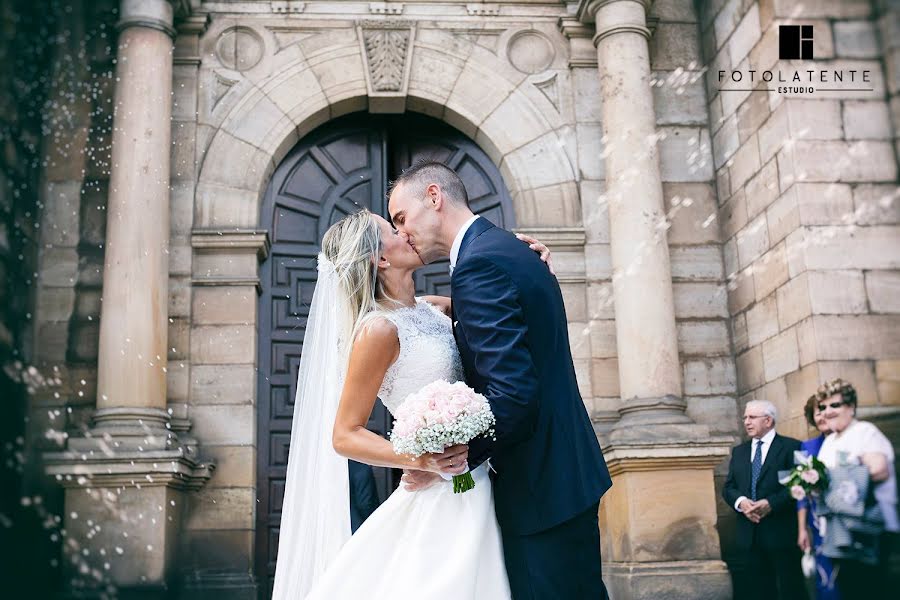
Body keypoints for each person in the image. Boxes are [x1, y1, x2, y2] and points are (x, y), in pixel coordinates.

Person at [270, 206, 555, 600]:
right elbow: (344, 435)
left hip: (485, 470)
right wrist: (420, 460)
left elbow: (510, 309)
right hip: (443, 484)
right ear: (381, 259)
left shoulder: (433, 308)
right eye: (393, 229)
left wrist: (532, 263)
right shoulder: (377, 331)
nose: (406, 233)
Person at [389, 161, 612, 599]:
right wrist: (455, 311)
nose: (402, 233)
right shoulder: (505, 250)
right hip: (561, 475)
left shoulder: (479, 266)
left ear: (434, 197)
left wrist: (449, 461)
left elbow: (513, 395)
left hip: (538, 486)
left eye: (401, 218)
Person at [816, 378, 898, 600]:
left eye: (835, 405)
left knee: (870, 588)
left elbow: (880, 470)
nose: (828, 411)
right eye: (823, 407)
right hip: (839, 531)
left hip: (867, 528)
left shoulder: (864, 432)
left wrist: (842, 479)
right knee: (850, 588)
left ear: (851, 407)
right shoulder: (830, 441)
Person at [723, 399, 806, 600]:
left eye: (752, 417)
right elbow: (729, 488)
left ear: (768, 421)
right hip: (748, 536)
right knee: (758, 591)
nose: (746, 422)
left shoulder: (792, 447)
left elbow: (800, 486)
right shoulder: (739, 451)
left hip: (781, 534)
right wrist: (741, 502)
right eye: (745, 417)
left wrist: (771, 503)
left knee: (790, 589)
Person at [797, 394, 839, 600]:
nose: (822, 415)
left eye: (825, 410)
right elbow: (800, 493)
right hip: (817, 521)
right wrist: (802, 528)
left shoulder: (848, 440)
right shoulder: (806, 447)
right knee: (824, 576)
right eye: (817, 411)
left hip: (844, 518)